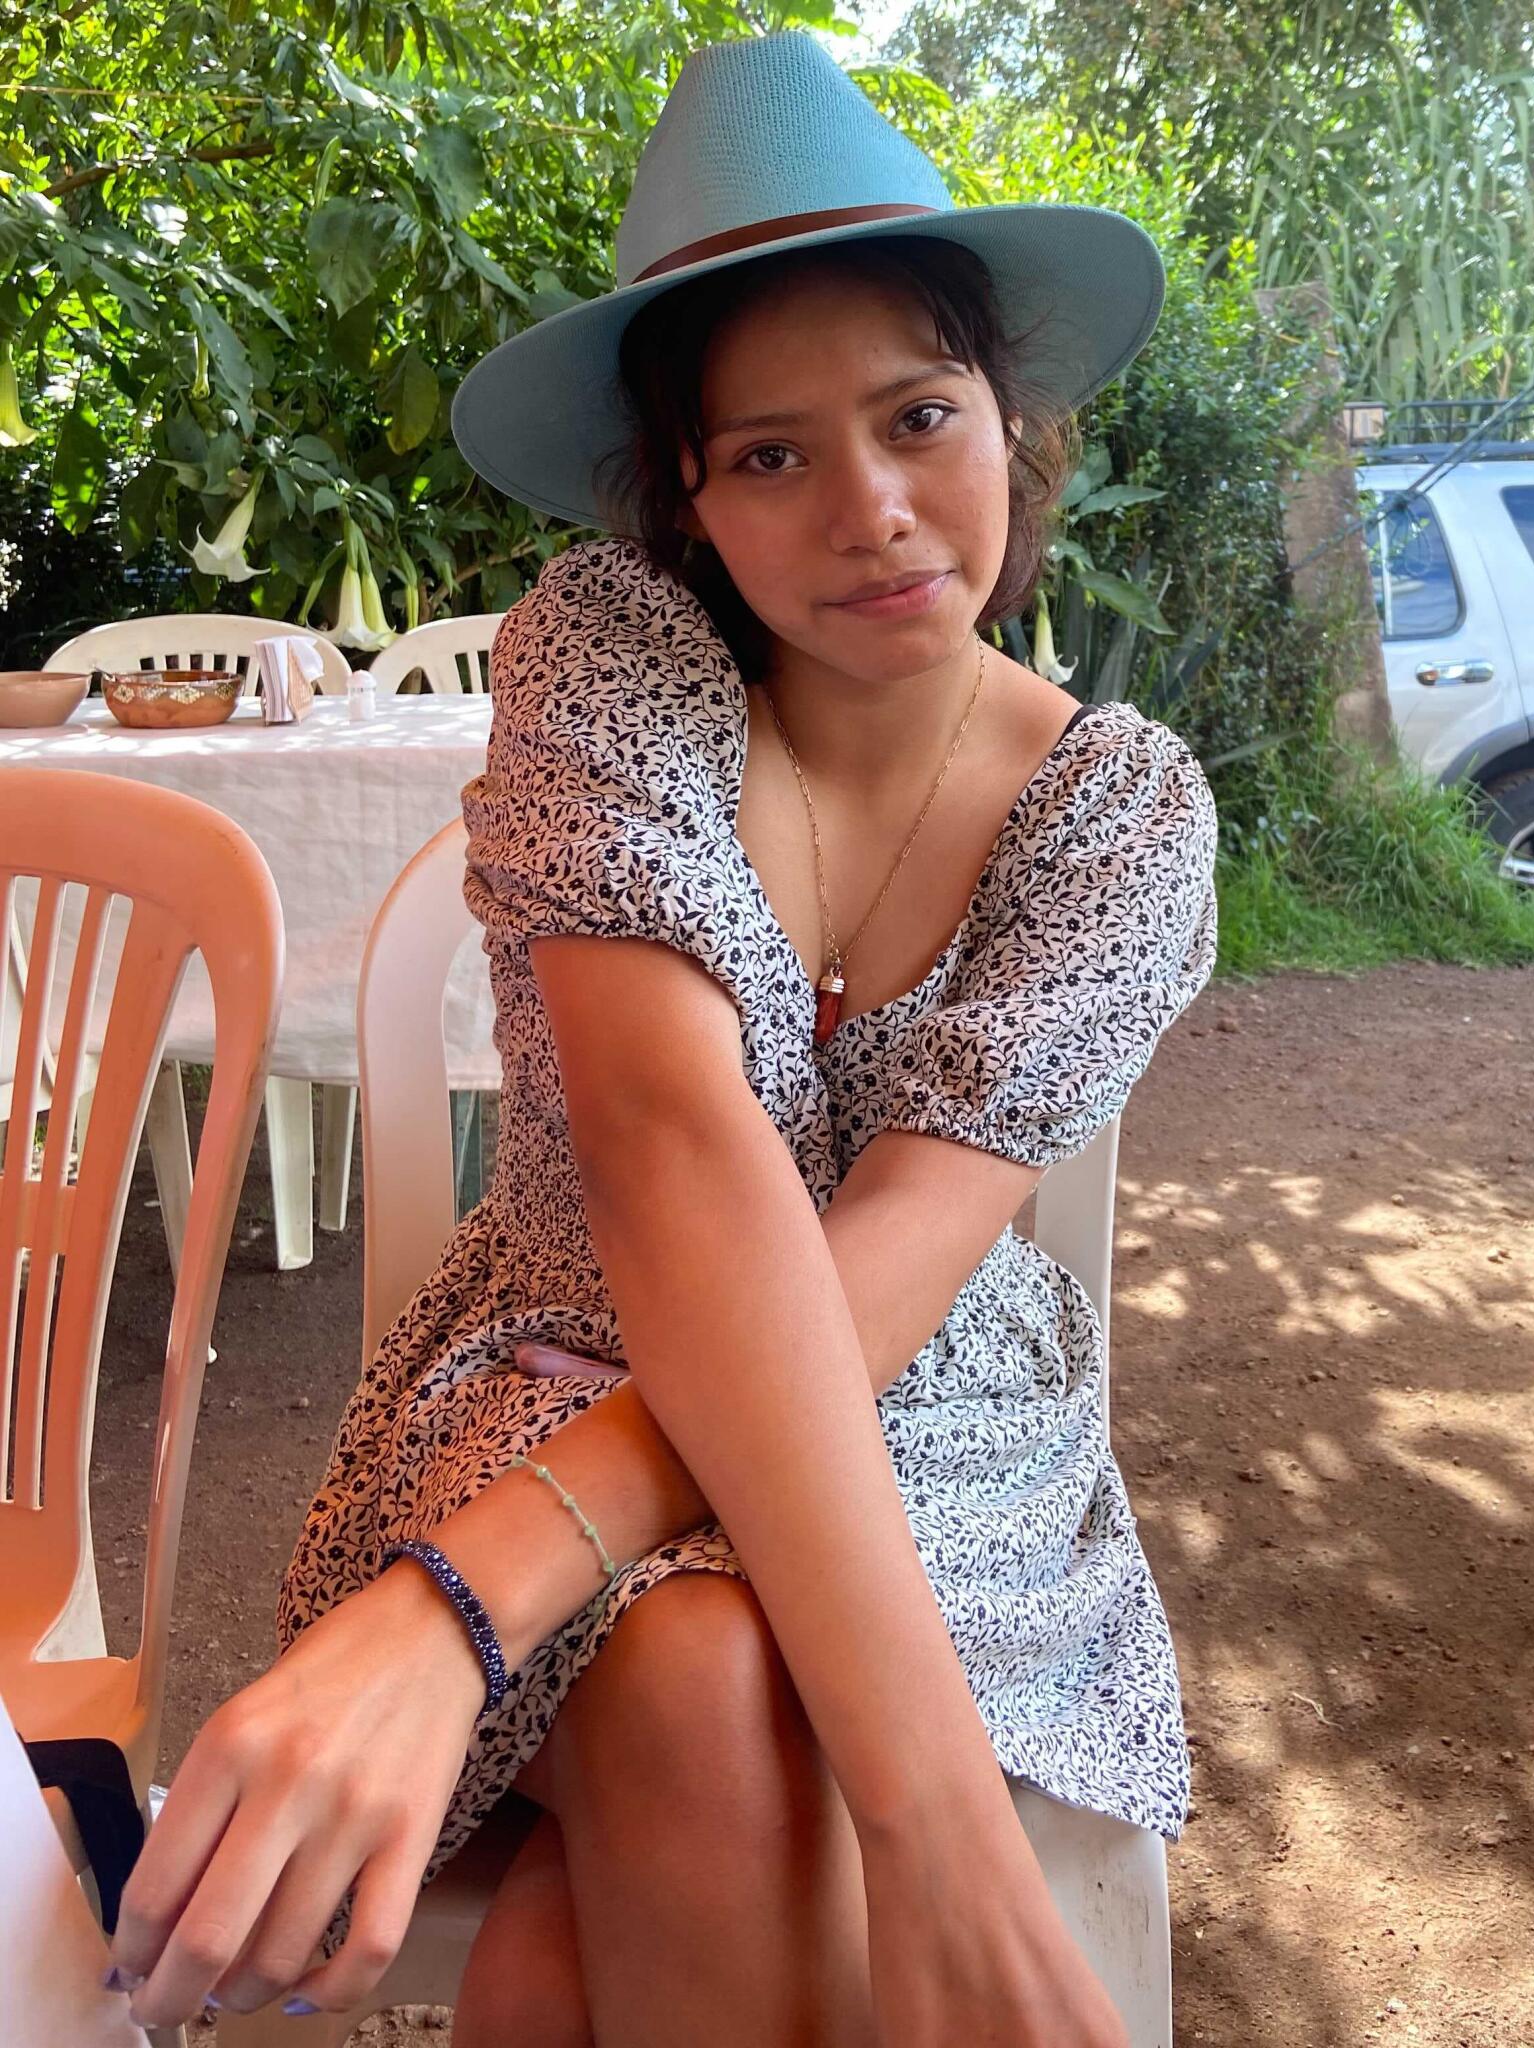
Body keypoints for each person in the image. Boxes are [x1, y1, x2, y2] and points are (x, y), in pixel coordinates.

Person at [101, 28, 1217, 2045]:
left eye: (918, 414)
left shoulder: (1120, 814)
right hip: (553, 1363)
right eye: (772, 452)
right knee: (700, 1679)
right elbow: (671, 1152)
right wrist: (938, 1846)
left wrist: (467, 1612)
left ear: (1011, 418)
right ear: (687, 498)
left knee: (585, 1909)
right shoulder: (611, 662)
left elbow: (881, 1268)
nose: (874, 509)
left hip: (935, 1417)